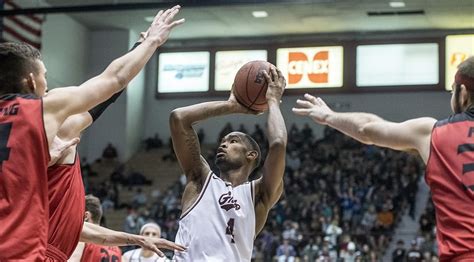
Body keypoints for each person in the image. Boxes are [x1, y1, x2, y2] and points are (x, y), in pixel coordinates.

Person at [0, 6, 184, 260]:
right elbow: (112, 81)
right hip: (26, 253)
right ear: (32, 81)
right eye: (45, 76)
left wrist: (40, 158)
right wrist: (150, 41)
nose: (47, 83)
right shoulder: (43, 110)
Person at [292, 57, 474, 261]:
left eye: (452, 91)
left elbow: (366, 129)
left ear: (463, 92)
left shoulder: (432, 132)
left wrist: (328, 116)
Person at [170, 67, 287, 260]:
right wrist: (232, 105)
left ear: (251, 154)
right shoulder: (200, 180)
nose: (223, 144)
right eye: (223, 141)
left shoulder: (258, 194)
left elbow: (278, 144)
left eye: (233, 141)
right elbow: (179, 118)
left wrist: (273, 101)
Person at [69, 195, 122, 262]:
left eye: (77, 214)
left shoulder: (83, 240)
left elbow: (73, 260)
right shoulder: (117, 249)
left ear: (86, 216)